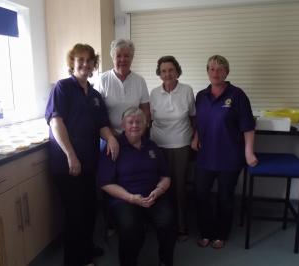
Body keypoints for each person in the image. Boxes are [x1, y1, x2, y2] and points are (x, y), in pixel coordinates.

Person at [45, 43, 119, 266]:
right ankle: (75, 260)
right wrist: (71, 155)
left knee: (89, 209)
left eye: (89, 60)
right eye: (80, 60)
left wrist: (112, 138)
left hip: (89, 163)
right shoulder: (63, 87)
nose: (85, 64)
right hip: (68, 164)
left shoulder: (94, 95)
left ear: (94, 64)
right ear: (72, 63)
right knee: (75, 214)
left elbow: (101, 125)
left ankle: (86, 248)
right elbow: (56, 122)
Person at [192, 55, 258, 249]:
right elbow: (199, 122)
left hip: (230, 156)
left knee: (225, 197)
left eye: (220, 69)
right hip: (205, 156)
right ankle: (206, 232)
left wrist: (249, 152)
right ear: (207, 71)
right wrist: (195, 137)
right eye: (211, 69)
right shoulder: (201, 96)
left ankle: (221, 234)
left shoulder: (237, 95)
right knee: (201, 194)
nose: (215, 73)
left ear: (227, 72)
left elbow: (247, 126)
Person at [97, 107, 176, 266]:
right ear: (123, 125)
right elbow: (105, 183)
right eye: (130, 122)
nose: (135, 125)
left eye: (139, 122)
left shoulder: (152, 146)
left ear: (146, 124)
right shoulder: (114, 147)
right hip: (124, 198)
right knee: (131, 228)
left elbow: (165, 176)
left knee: (168, 222)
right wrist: (131, 198)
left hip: (154, 195)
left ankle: (165, 260)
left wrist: (159, 190)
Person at [150, 55, 195, 242]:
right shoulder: (153, 93)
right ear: (159, 74)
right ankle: (160, 225)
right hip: (157, 145)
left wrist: (196, 138)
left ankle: (181, 226)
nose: (167, 74)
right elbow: (148, 120)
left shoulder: (187, 90)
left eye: (171, 70)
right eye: (163, 71)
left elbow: (193, 117)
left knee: (178, 188)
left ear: (177, 71)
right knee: (158, 187)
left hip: (181, 145)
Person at [97, 39, 151, 135]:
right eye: (118, 56)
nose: (123, 59)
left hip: (134, 135)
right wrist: (111, 135)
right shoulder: (103, 79)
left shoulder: (140, 80)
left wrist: (140, 133)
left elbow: (145, 111)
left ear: (132, 58)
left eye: (127, 56)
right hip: (109, 135)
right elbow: (97, 113)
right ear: (113, 58)